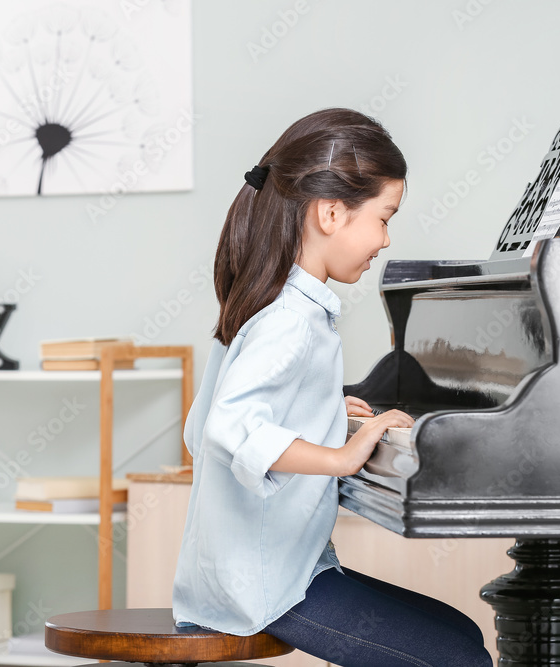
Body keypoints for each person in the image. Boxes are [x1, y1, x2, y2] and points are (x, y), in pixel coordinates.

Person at [172, 108, 493, 667]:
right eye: (385, 218)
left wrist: (315, 410)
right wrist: (342, 455)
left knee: (462, 631)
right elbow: (225, 427)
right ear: (330, 213)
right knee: (459, 659)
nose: (387, 240)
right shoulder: (289, 319)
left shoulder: (269, 300)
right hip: (267, 586)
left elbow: (201, 426)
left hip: (265, 569)